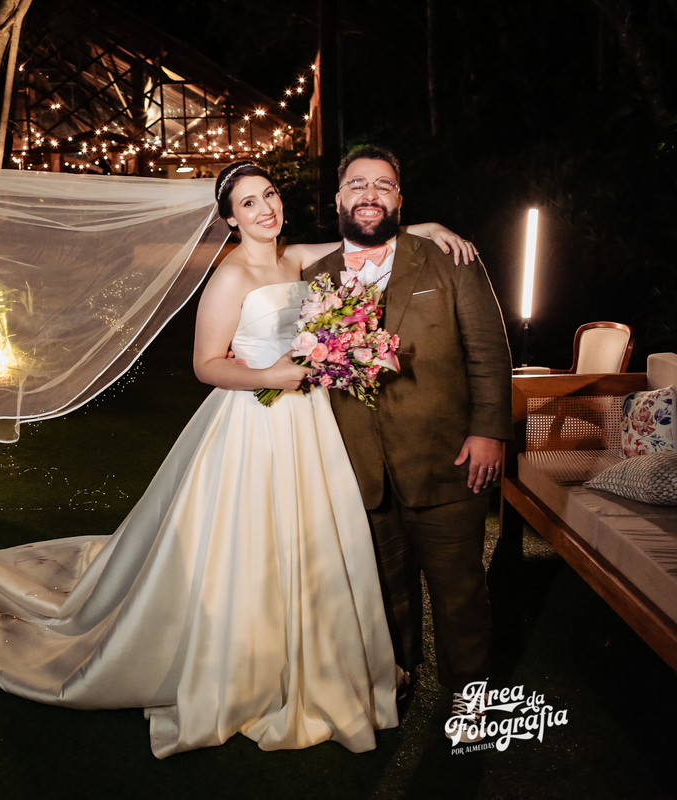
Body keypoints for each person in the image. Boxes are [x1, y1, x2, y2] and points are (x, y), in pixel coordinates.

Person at [0, 161, 474, 758]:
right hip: (256, 424)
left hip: (312, 426)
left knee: (313, 539)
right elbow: (206, 364)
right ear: (229, 218)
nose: (265, 209)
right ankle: (249, 666)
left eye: (268, 196)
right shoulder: (231, 277)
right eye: (248, 204)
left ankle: (316, 657)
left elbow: (364, 241)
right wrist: (272, 374)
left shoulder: (296, 258)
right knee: (251, 545)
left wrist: (426, 226)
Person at [300, 146, 512, 739]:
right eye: (357, 184)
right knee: (382, 589)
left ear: (400, 200)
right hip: (356, 469)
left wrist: (490, 429)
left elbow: (489, 353)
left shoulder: (449, 260)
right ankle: (396, 680)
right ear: (338, 198)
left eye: (384, 185)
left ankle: (470, 698)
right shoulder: (313, 279)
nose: (370, 194)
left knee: (459, 589)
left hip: (448, 459)